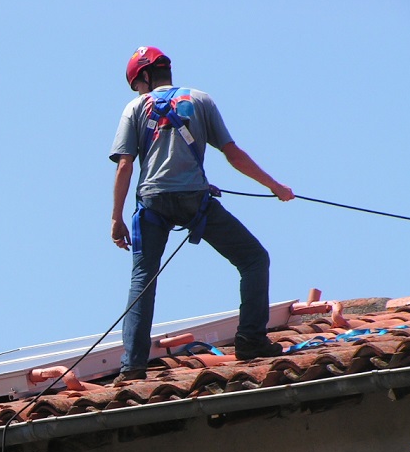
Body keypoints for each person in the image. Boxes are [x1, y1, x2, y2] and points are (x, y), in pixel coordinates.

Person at [110, 46, 294, 381]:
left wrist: (115, 218)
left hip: (152, 204)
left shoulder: (134, 107)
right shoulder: (201, 100)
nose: (138, 90)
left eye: (137, 83)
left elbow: (125, 165)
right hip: (195, 200)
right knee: (253, 259)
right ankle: (251, 339)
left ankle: (132, 366)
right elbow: (233, 154)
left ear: (145, 77)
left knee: (142, 281)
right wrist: (274, 186)